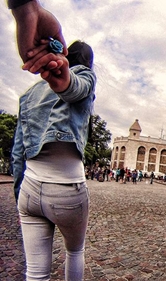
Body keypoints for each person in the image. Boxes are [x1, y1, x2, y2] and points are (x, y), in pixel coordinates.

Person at [11, 40, 96, 280]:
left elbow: (18, 152)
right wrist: (66, 81)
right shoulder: (85, 75)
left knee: (36, 272)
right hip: (66, 189)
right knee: (75, 250)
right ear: (88, 63)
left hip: (29, 188)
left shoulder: (29, 94)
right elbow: (75, 88)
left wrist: (21, 195)